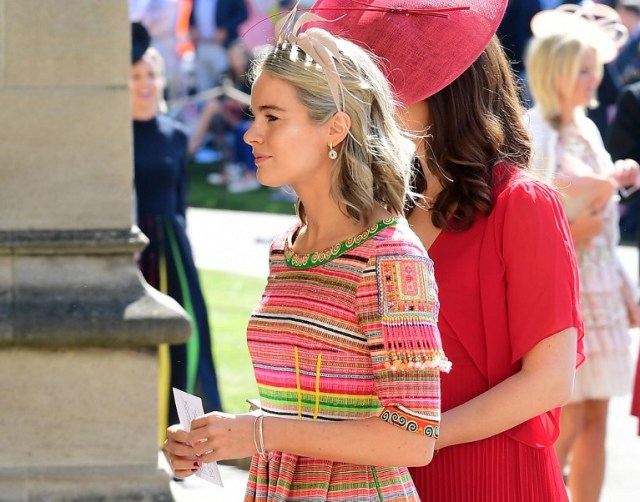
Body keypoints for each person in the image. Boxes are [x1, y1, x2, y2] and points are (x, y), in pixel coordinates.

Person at [163, 6, 450, 500]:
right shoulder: (286, 251)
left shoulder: (390, 260)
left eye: (272, 117)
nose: (252, 133)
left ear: (335, 128)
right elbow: (303, 409)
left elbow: (414, 435)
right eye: (254, 116)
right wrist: (213, 438)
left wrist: (256, 432)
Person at [310, 0, 583, 500]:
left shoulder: (521, 202)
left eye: (380, 75)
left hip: (494, 476)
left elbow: (549, 381)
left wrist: (417, 438)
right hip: (387, 477)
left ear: (444, 88)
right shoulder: (384, 206)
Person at [525, 4, 640, 500]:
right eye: (585, 70)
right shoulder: (537, 132)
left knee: (597, 415)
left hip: (601, 291)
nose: (596, 79)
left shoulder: (587, 130)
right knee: (566, 415)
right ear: (557, 71)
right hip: (565, 295)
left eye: (597, 68)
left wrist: (623, 285)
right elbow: (528, 218)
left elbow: (600, 219)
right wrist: (579, 222)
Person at [130, 22, 222, 445]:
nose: (145, 83)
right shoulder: (113, 136)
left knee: (186, 344)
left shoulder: (175, 135)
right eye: (135, 75)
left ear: (162, 80)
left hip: (173, 252)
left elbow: (181, 203)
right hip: (130, 251)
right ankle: (136, 436)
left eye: (151, 74)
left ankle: (186, 443)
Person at [189, 0, 249, 93]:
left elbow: (242, 13)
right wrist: (192, 28)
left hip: (223, 46)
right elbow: (193, 15)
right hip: (202, 45)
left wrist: (226, 29)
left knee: (223, 82)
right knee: (203, 85)